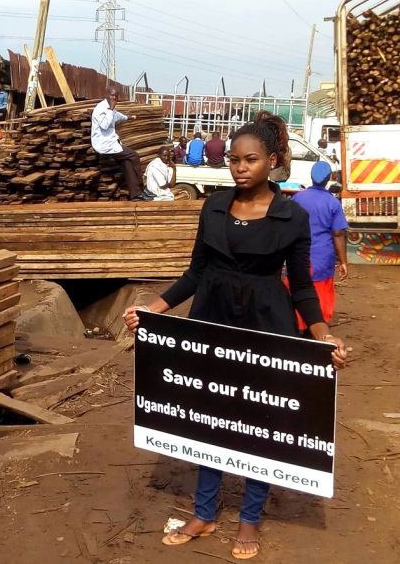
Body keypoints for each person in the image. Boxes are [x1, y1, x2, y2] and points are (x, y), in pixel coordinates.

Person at [122, 112, 347, 561]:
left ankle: (249, 518)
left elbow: (302, 287)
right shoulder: (215, 205)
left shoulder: (291, 215)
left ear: (273, 161)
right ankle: (205, 513)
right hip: (213, 322)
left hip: (267, 327)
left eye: (251, 159)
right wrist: (153, 311)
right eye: (234, 160)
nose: (240, 167)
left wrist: (323, 336)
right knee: (211, 419)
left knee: (257, 424)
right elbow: (195, 273)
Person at [291, 162, 349, 326]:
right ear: (329, 178)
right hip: (322, 257)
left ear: (311, 177)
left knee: (296, 287)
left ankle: (297, 324)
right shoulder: (332, 203)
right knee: (320, 293)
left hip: (298, 255)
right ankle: (317, 328)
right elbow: (338, 233)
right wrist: (343, 262)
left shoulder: (297, 198)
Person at [91, 86, 144, 201]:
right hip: (104, 144)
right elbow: (104, 126)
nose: (114, 98)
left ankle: (135, 195)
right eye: (112, 95)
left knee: (127, 163)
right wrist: (110, 109)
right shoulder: (100, 109)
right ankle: (141, 183)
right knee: (134, 155)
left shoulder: (112, 110)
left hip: (112, 143)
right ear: (106, 95)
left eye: (116, 96)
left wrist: (129, 117)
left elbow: (118, 116)